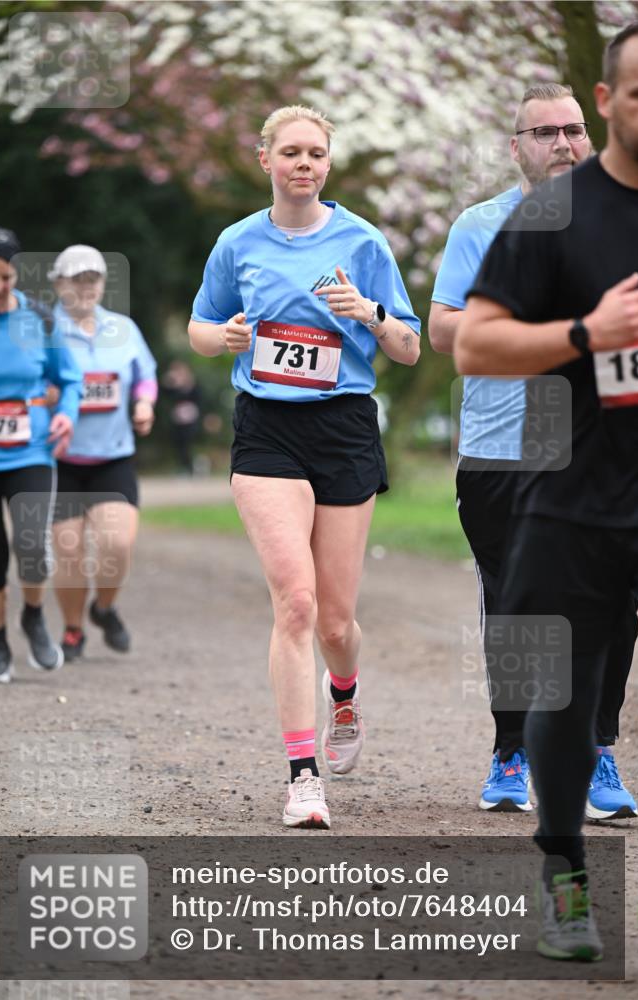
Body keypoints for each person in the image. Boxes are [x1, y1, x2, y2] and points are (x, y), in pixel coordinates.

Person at [455, 22, 638, 961]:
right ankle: (563, 871)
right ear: (606, 102)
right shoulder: (553, 215)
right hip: (572, 489)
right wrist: (587, 332)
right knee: (561, 690)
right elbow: (474, 343)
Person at [188, 105, 420, 829]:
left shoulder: (363, 241)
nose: (304, 163)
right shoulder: (237, 243)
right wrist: (218, 336)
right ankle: (301, 777)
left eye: (315, 153)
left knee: (335, 620)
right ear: (265, 159)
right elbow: (201, 325)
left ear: (327, 163)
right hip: (267, 431)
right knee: (293, 601)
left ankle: (343, 691)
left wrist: (370, 313)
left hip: (344, 427)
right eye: (290, 151)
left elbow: (410, 346)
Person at [430, 84, 638, 819]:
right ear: (513, 146)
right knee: (518, 607)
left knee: (614, 604)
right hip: (502, 447)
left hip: (605, 443)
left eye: (572, 129)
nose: (561, 143)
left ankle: (598, 752)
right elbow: (443, 330)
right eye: (541, 131)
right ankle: (511, 751)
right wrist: (545, 323)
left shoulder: (622, 222)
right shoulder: (480, 226)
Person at [0, 226, 82, 682]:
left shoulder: (40, 320)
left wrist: (67, 414)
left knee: (32, 550)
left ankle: (34, 617)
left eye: (6, 277)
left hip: (32, 451)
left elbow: (72, 379)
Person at [48, 245, 157, 661]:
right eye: (76, 279)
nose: (86, 286)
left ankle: (104, 608)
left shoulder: (123, 329)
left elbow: (145, 376)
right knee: (70, 553)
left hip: (113, 458)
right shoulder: (43, 331)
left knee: (117, 545)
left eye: (92, 278)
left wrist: (145, 404)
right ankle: (73, 631)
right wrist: (47, 397)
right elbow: (24, 386)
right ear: (59, 284)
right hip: (61, 462)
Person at [161, 359, 203, 475]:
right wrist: (170, 382)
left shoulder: (192, 384)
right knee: (179, 442)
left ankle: (192, 467)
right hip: (178, 416)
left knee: (187, 442)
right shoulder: (173, 385)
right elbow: (166, 394)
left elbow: (198, 399)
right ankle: (184, 467)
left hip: (190, 416)